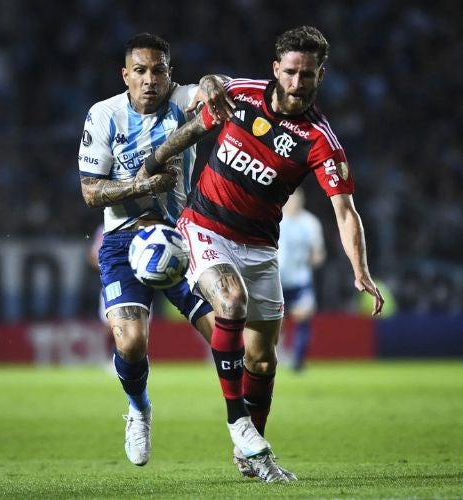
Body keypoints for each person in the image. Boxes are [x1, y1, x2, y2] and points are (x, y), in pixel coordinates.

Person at [142, 25, 385, 482]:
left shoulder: (320, 140)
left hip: (260, 247)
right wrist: (155, 160)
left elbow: (345, 210)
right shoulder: (245, 95)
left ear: (320, 76)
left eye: (307, 75)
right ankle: (240, 425)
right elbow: (208, 93)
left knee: (263, 359)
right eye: (290, 72)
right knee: (231, 302)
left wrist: (361, 271)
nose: (297, 84)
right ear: (276, 69)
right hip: (205, 226)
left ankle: (249, 449)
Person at [78, 33, 234, 469]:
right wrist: (144, 185)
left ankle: (242, 431)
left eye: (159, 70)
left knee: (224, 333)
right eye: (141, 71)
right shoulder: (104, 115)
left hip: (181, 235)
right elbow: (90, 191)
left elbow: (218, 84)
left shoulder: (182, 100)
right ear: (125, 75)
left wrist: (211, 81)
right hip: (123, 241)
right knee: (130, 343)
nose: (150, 79)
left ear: (170, 74)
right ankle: (139, 408)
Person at [279, 188, 326, 371]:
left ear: (303, 200)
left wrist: (315, 258)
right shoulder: (276, 219)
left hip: (301, 281)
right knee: (275, 324)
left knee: (303, 316)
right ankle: (272, 356)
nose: (293, 202)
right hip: (277, 281)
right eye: (290, 199)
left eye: (297, 198)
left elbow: (319, 252)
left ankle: (298, 361)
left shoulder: (311, 222)